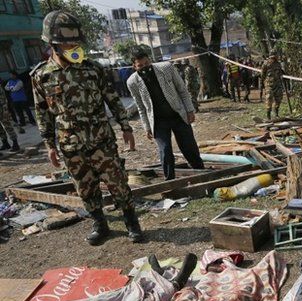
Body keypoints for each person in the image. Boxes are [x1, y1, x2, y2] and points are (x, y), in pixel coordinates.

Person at [31, 10, 143, 245]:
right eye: (67, 42)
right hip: (70, 145)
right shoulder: (41, 75)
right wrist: (49, 144)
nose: (73, 45)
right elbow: (42, 111)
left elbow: (113, 98)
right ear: (53, 43)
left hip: (101, 138)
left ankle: (132, 222)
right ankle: (100, 224)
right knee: (85, 187)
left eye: (74, 40)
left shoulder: (93, 68)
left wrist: (126, 127)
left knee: (117, 182)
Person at [126, 47, 204, 181]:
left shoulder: (166, 68)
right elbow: (141, 107)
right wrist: (146, 127)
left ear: (150, 60)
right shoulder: (132, 82)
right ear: (134, 66)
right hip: (158, 121)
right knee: (165, 150)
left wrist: (190, 110)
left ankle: (202, 174)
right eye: (140, 66)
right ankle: (170, 181)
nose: (145, 67)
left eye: (146, 64)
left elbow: (182, 90)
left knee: (189, 147)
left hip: (178, 114)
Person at [260, 49, 284, 120]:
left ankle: (276, 113)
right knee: (269, 99)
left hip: (277, 84)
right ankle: (268, 116)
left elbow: (280, 72)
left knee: (278, 98)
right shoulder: (266, 63)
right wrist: (264, 82)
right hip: (269, 85)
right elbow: (262, 74)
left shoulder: (278, 64)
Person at [0, 87, 19, 152]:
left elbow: (2, 99)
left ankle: (15, 144)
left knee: (7, 126)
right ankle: (5, 143)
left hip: (2, 109)